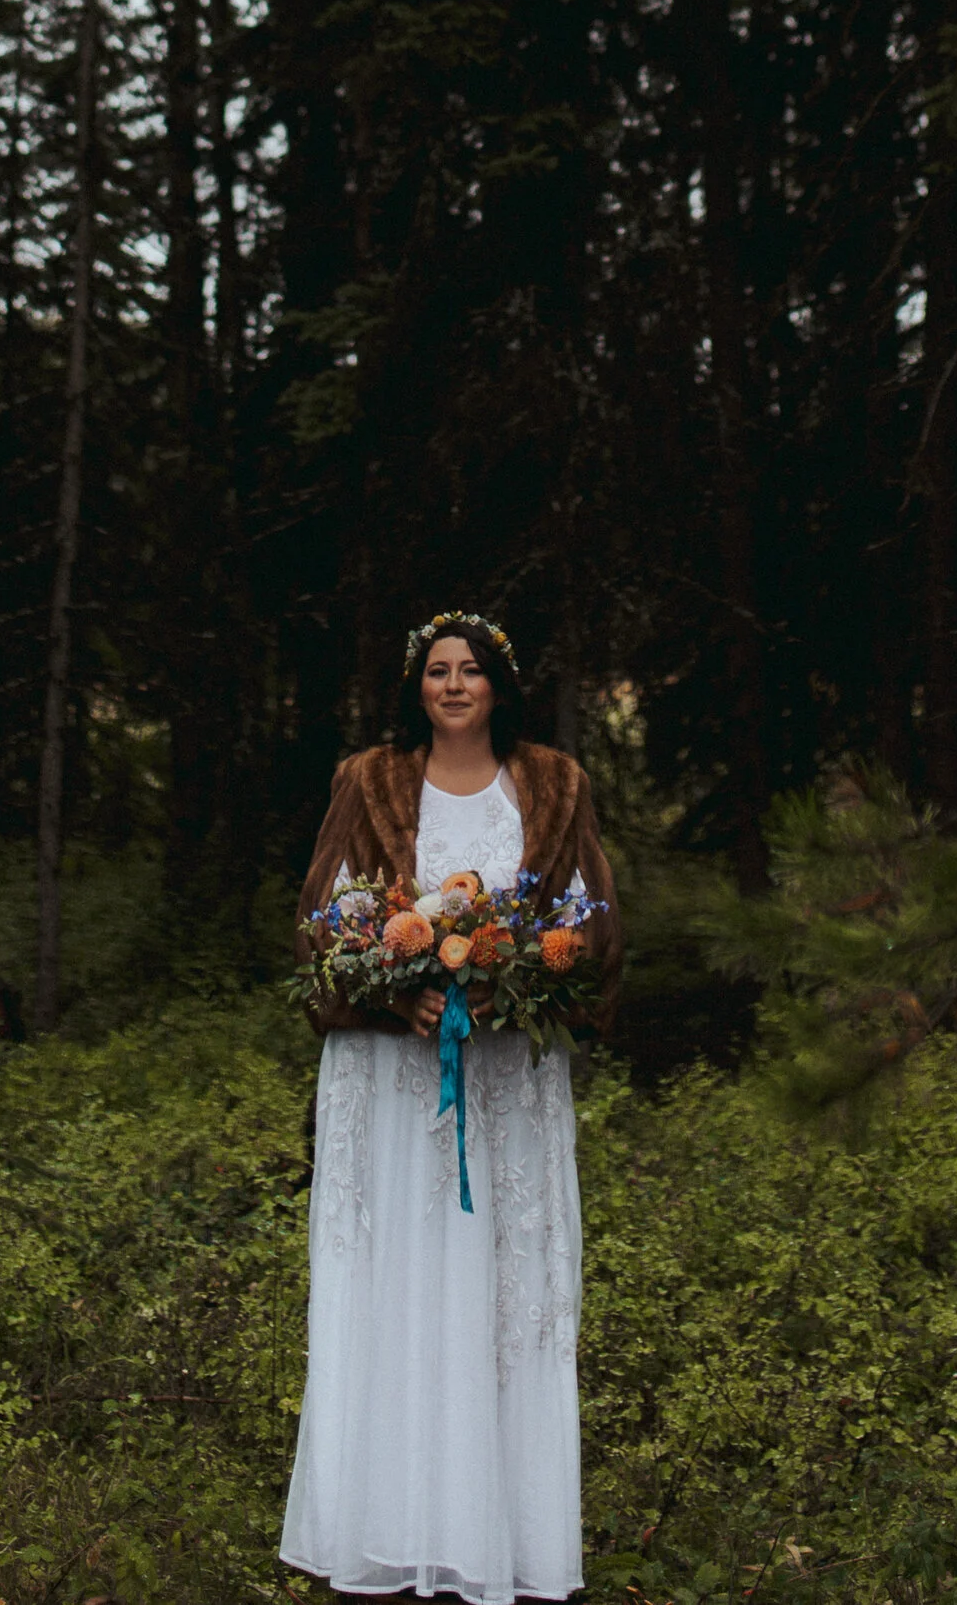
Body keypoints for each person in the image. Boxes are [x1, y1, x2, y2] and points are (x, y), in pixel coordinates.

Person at [279, 608, 622, 1605]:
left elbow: (590, 925)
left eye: (473, 670)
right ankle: (380, 1532)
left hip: (507, 1076)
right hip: (395, 1081)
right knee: (397, 1279)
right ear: (416, 685)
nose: (455, 685)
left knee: (497, 1289)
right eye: (438, 670)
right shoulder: (370, 779)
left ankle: (496, 1537)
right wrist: (394, 992)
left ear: (501, 684)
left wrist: (518, 982)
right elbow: (323, 918)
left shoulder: (553, 784)